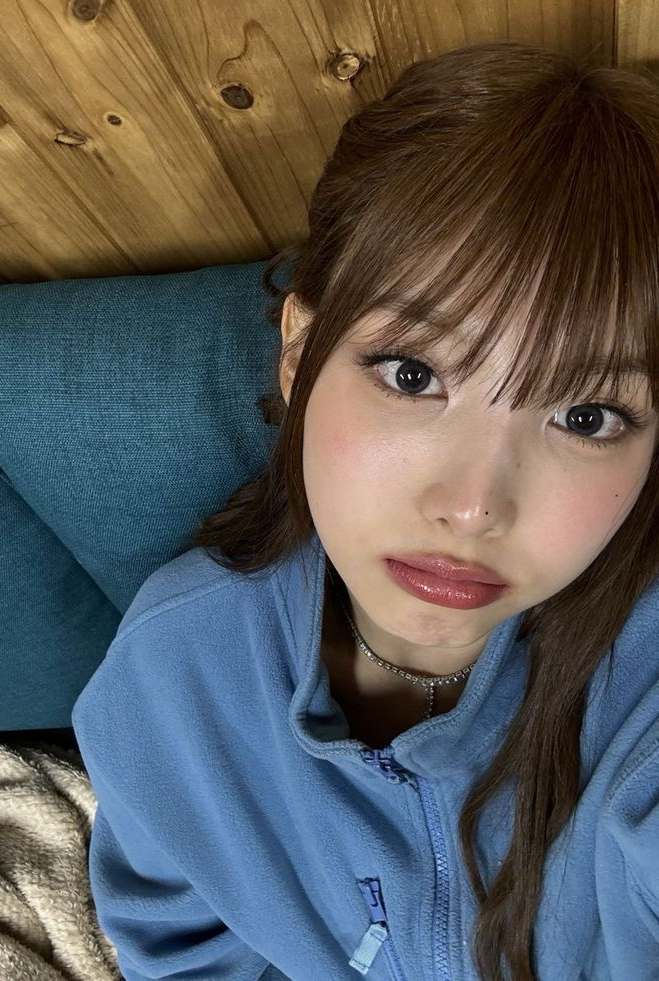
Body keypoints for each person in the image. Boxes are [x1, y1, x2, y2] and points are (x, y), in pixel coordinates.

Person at [72, 40, 659, 981]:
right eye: (414, 373)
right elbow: (184, 956)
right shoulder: (173, 678)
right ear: (300, 356)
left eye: (584, 415)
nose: (472, 507)